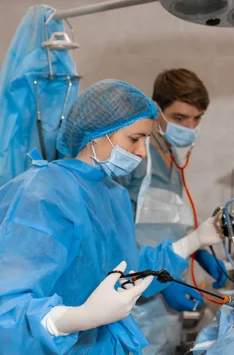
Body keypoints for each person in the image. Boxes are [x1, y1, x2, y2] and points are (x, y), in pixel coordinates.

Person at [0, 80, 222, 354]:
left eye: (146, 140)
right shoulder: (43, 193)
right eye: (134, 139)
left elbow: (128, 268)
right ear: (96, 134)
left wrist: (194, 241)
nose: (142, 152)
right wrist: (74, 319)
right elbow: (8, 307)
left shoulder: (112, 194)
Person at [119, 69, 227, 354]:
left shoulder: (170, 159)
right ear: (157, 110)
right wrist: (160, 283)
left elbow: (163, 224)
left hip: (163, 301)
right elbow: (115, 235)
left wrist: (198, 251)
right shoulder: (135, 158)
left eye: (197, 118)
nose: (190, 127)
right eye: (180, 118)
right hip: (135, 301)